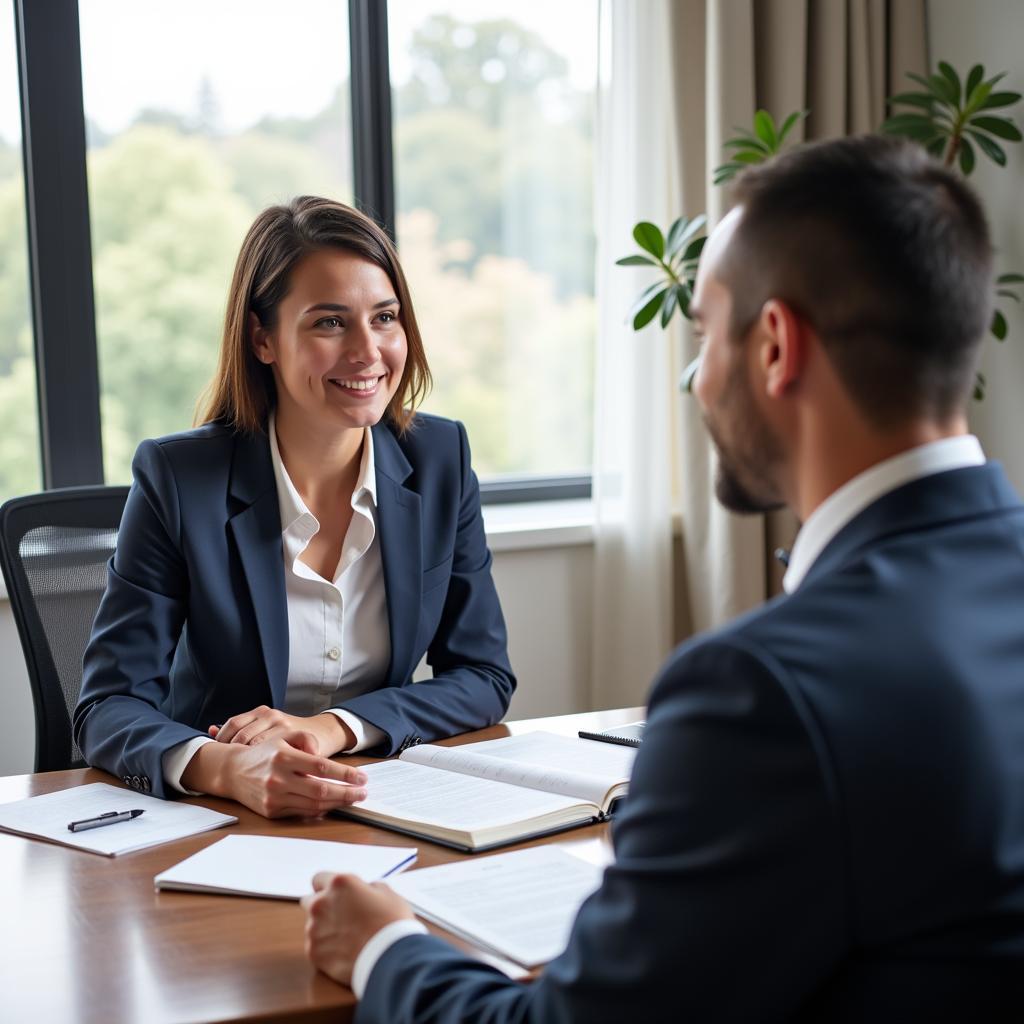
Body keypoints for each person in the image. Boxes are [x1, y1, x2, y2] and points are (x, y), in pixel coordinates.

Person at [301, 136, 1024, 1020]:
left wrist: (382, 945)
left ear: (774, 348)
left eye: (705, 333)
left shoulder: (760, 693)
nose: (696, 379)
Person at [73, 197, 515, 818]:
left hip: (382, 804)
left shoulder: (441, 458)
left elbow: (483, 676)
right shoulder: (179, 479)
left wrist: (337, 726)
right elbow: (106, 707)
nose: (367, 351)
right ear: (263, 339)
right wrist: (225, 767)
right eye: (329, 323)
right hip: (224, 821)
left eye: (384, 317)